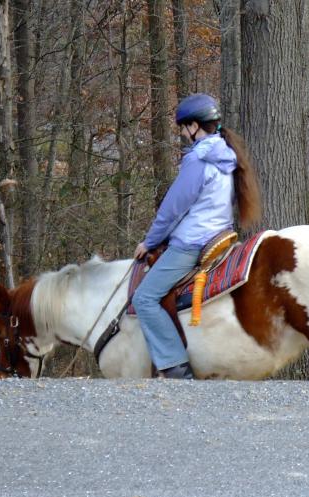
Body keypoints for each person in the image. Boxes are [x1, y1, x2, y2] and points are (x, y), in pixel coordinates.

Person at [132, 93, 261, 379]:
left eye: (183, 127)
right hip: (220, 234)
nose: (182, 133)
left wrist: (150, 242)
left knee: (144, 298)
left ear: (194, 126)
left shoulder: (198, 160)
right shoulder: (226, 156)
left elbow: (172, 208)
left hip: (193, 242)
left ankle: (175, 365)